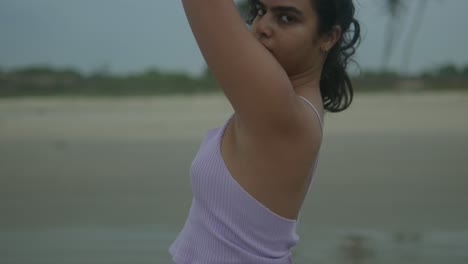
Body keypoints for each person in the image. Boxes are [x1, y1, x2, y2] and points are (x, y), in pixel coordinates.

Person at [169, 0, 360, 263]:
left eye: (286, 18)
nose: (261, 27)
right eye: (260, 11)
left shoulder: (280, 110)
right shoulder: (292, 107)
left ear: (329, 37)